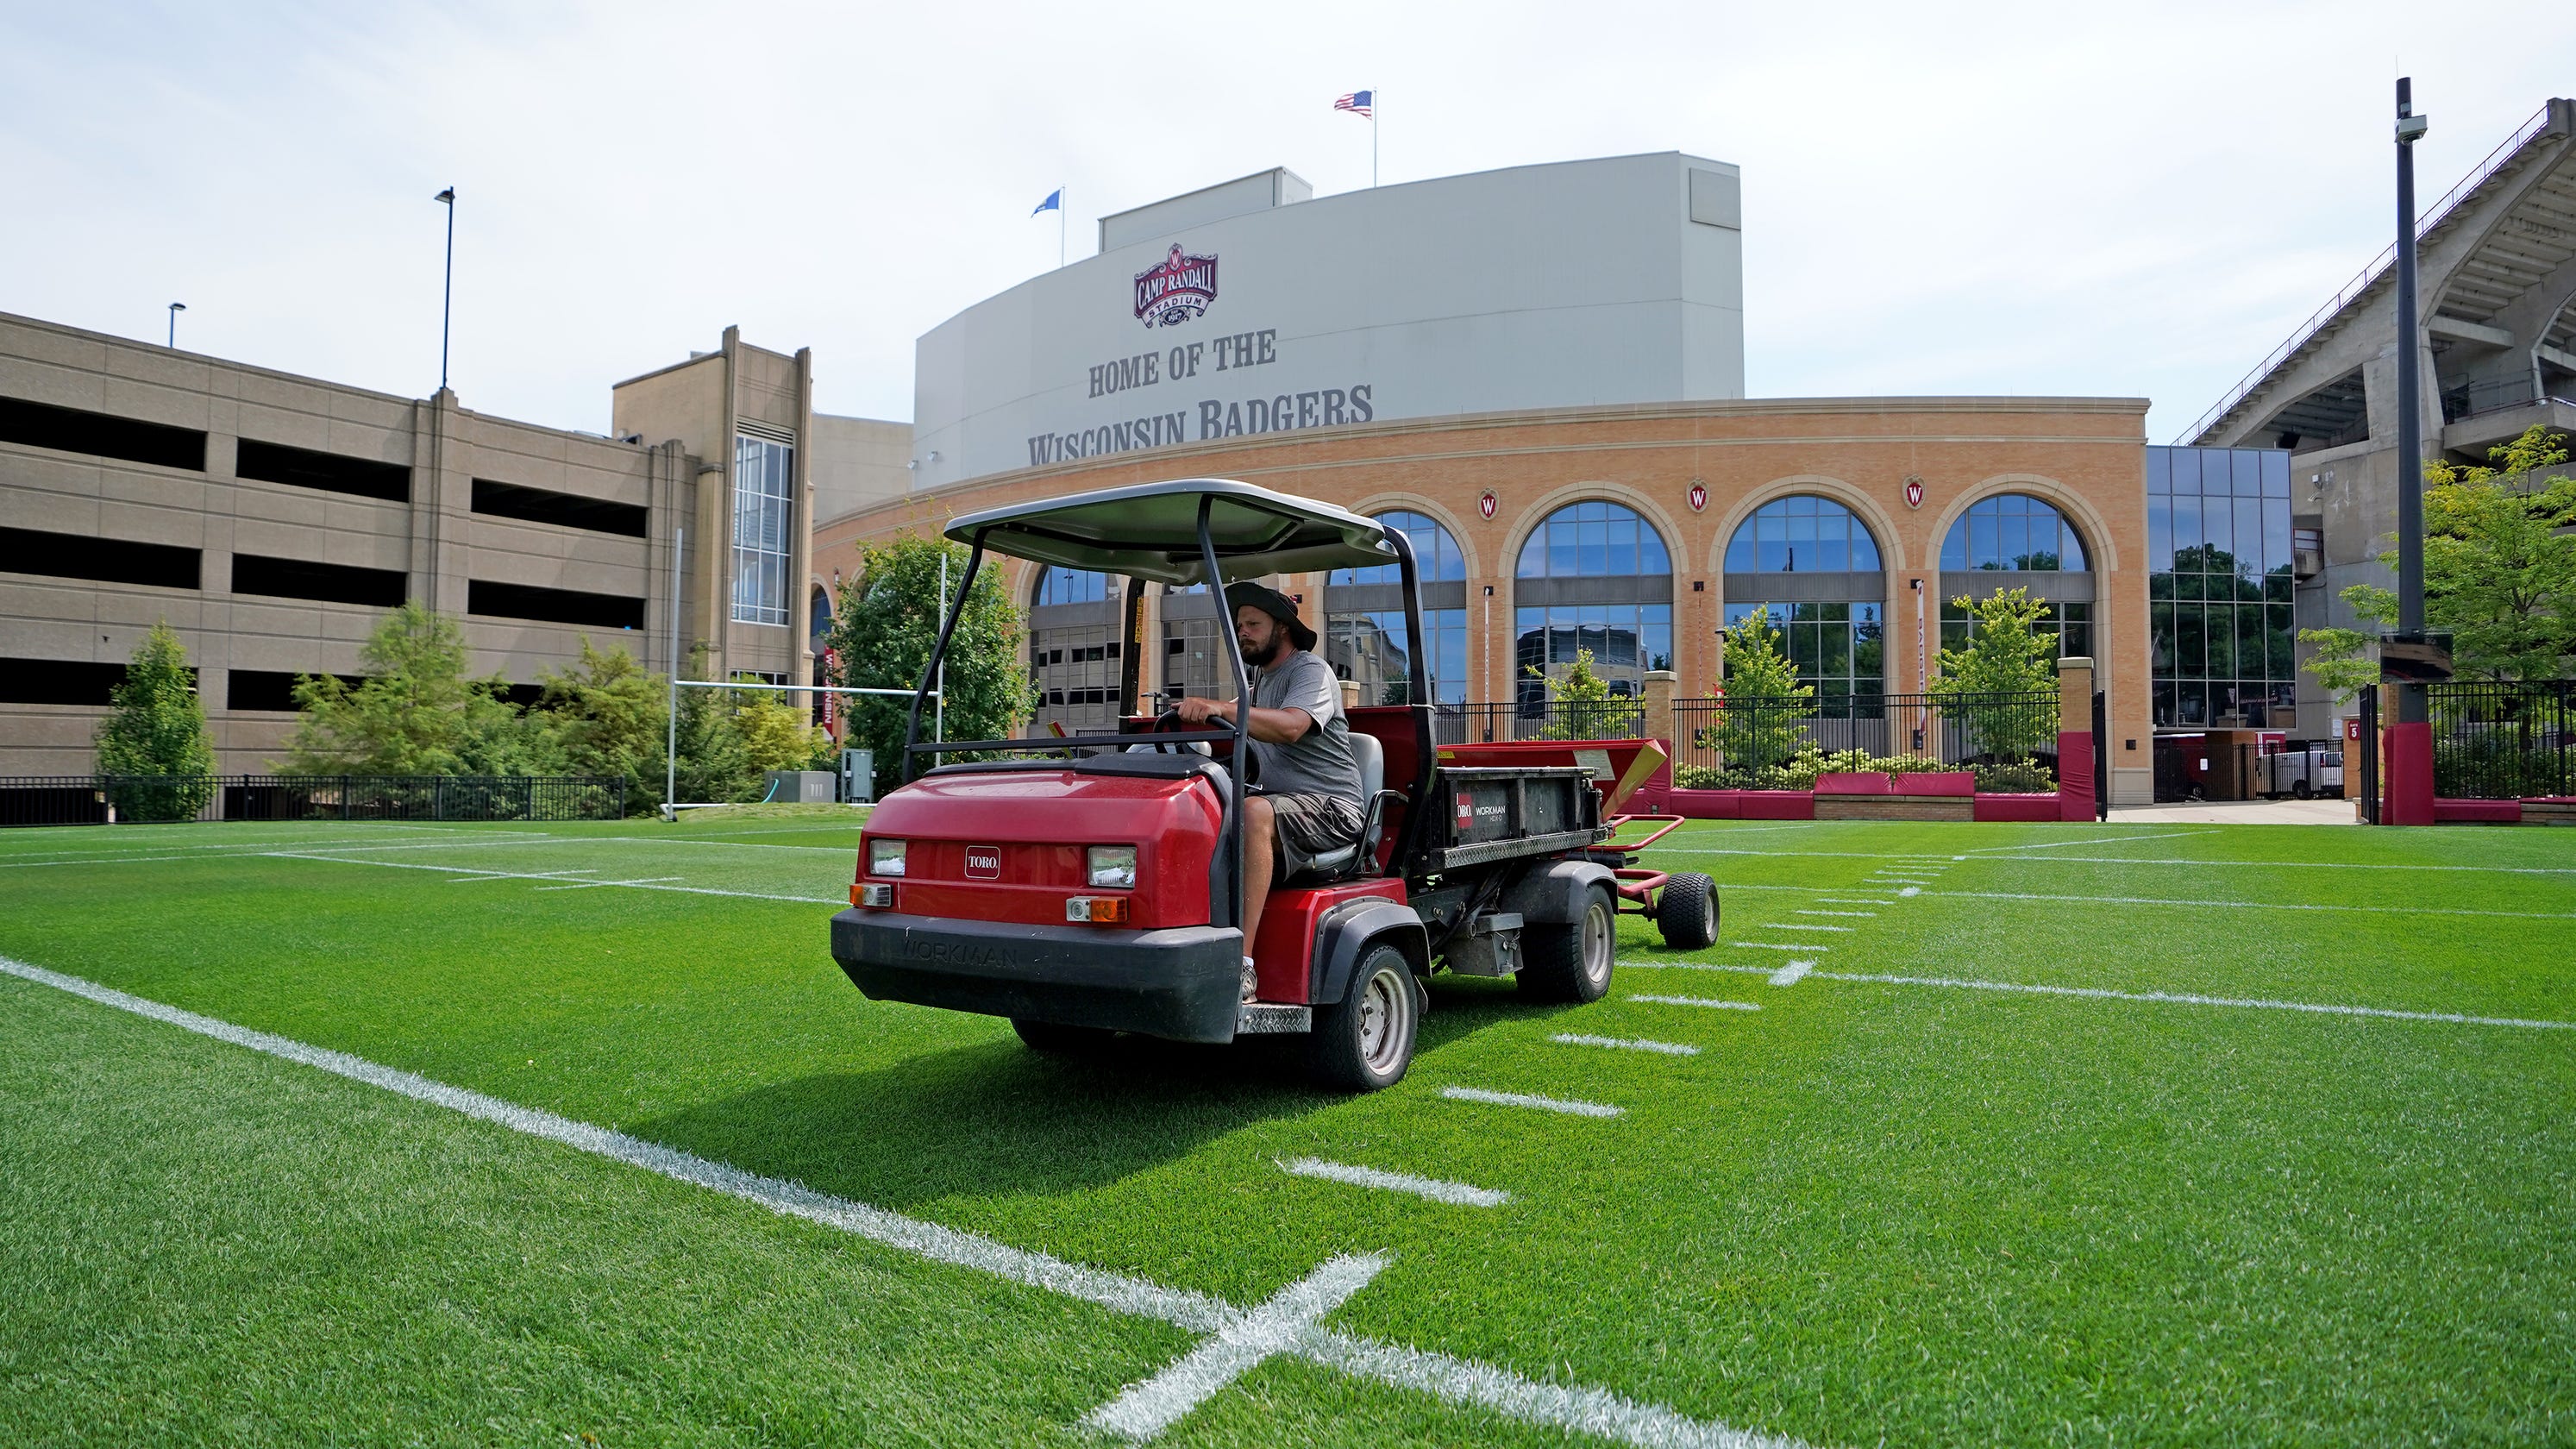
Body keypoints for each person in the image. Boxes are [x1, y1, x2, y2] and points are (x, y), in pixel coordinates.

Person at [1172, 582, 1365, 1001]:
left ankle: (1241, 966)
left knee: (1254, 812)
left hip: (1334, 808)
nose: (1243, 632)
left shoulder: (1310, 672)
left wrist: (1222, 708)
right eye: (1240, 625)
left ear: (1283, 628)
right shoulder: (1258, 684)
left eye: (1253, 624)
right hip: (1286, 807)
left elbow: (1292, 726)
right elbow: (1236, 720)